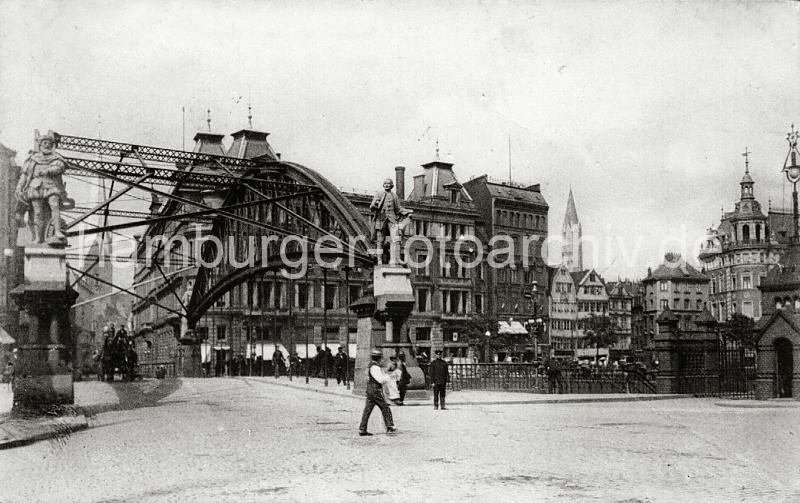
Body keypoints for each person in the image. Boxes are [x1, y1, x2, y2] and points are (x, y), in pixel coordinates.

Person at [359, 350, 397, 436]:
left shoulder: (370, 366)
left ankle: (362, 429)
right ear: (379, 358)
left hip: (370, 390)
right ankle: (390, 426)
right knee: (385, 407)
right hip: (376, 390)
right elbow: (380, 380)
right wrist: (387, 377)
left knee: (367, 410)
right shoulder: (375, 367)